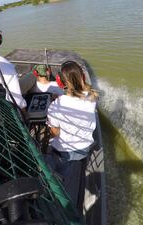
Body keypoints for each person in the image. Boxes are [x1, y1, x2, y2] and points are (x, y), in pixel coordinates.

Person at [45, 60, 98, 207]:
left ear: (60, 83)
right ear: (82, 77)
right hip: (84, 150)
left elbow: (54, 133)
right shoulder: (91, 97)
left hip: (65, 153)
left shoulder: (56, 106)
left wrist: (50, 120)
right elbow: (79, 96)